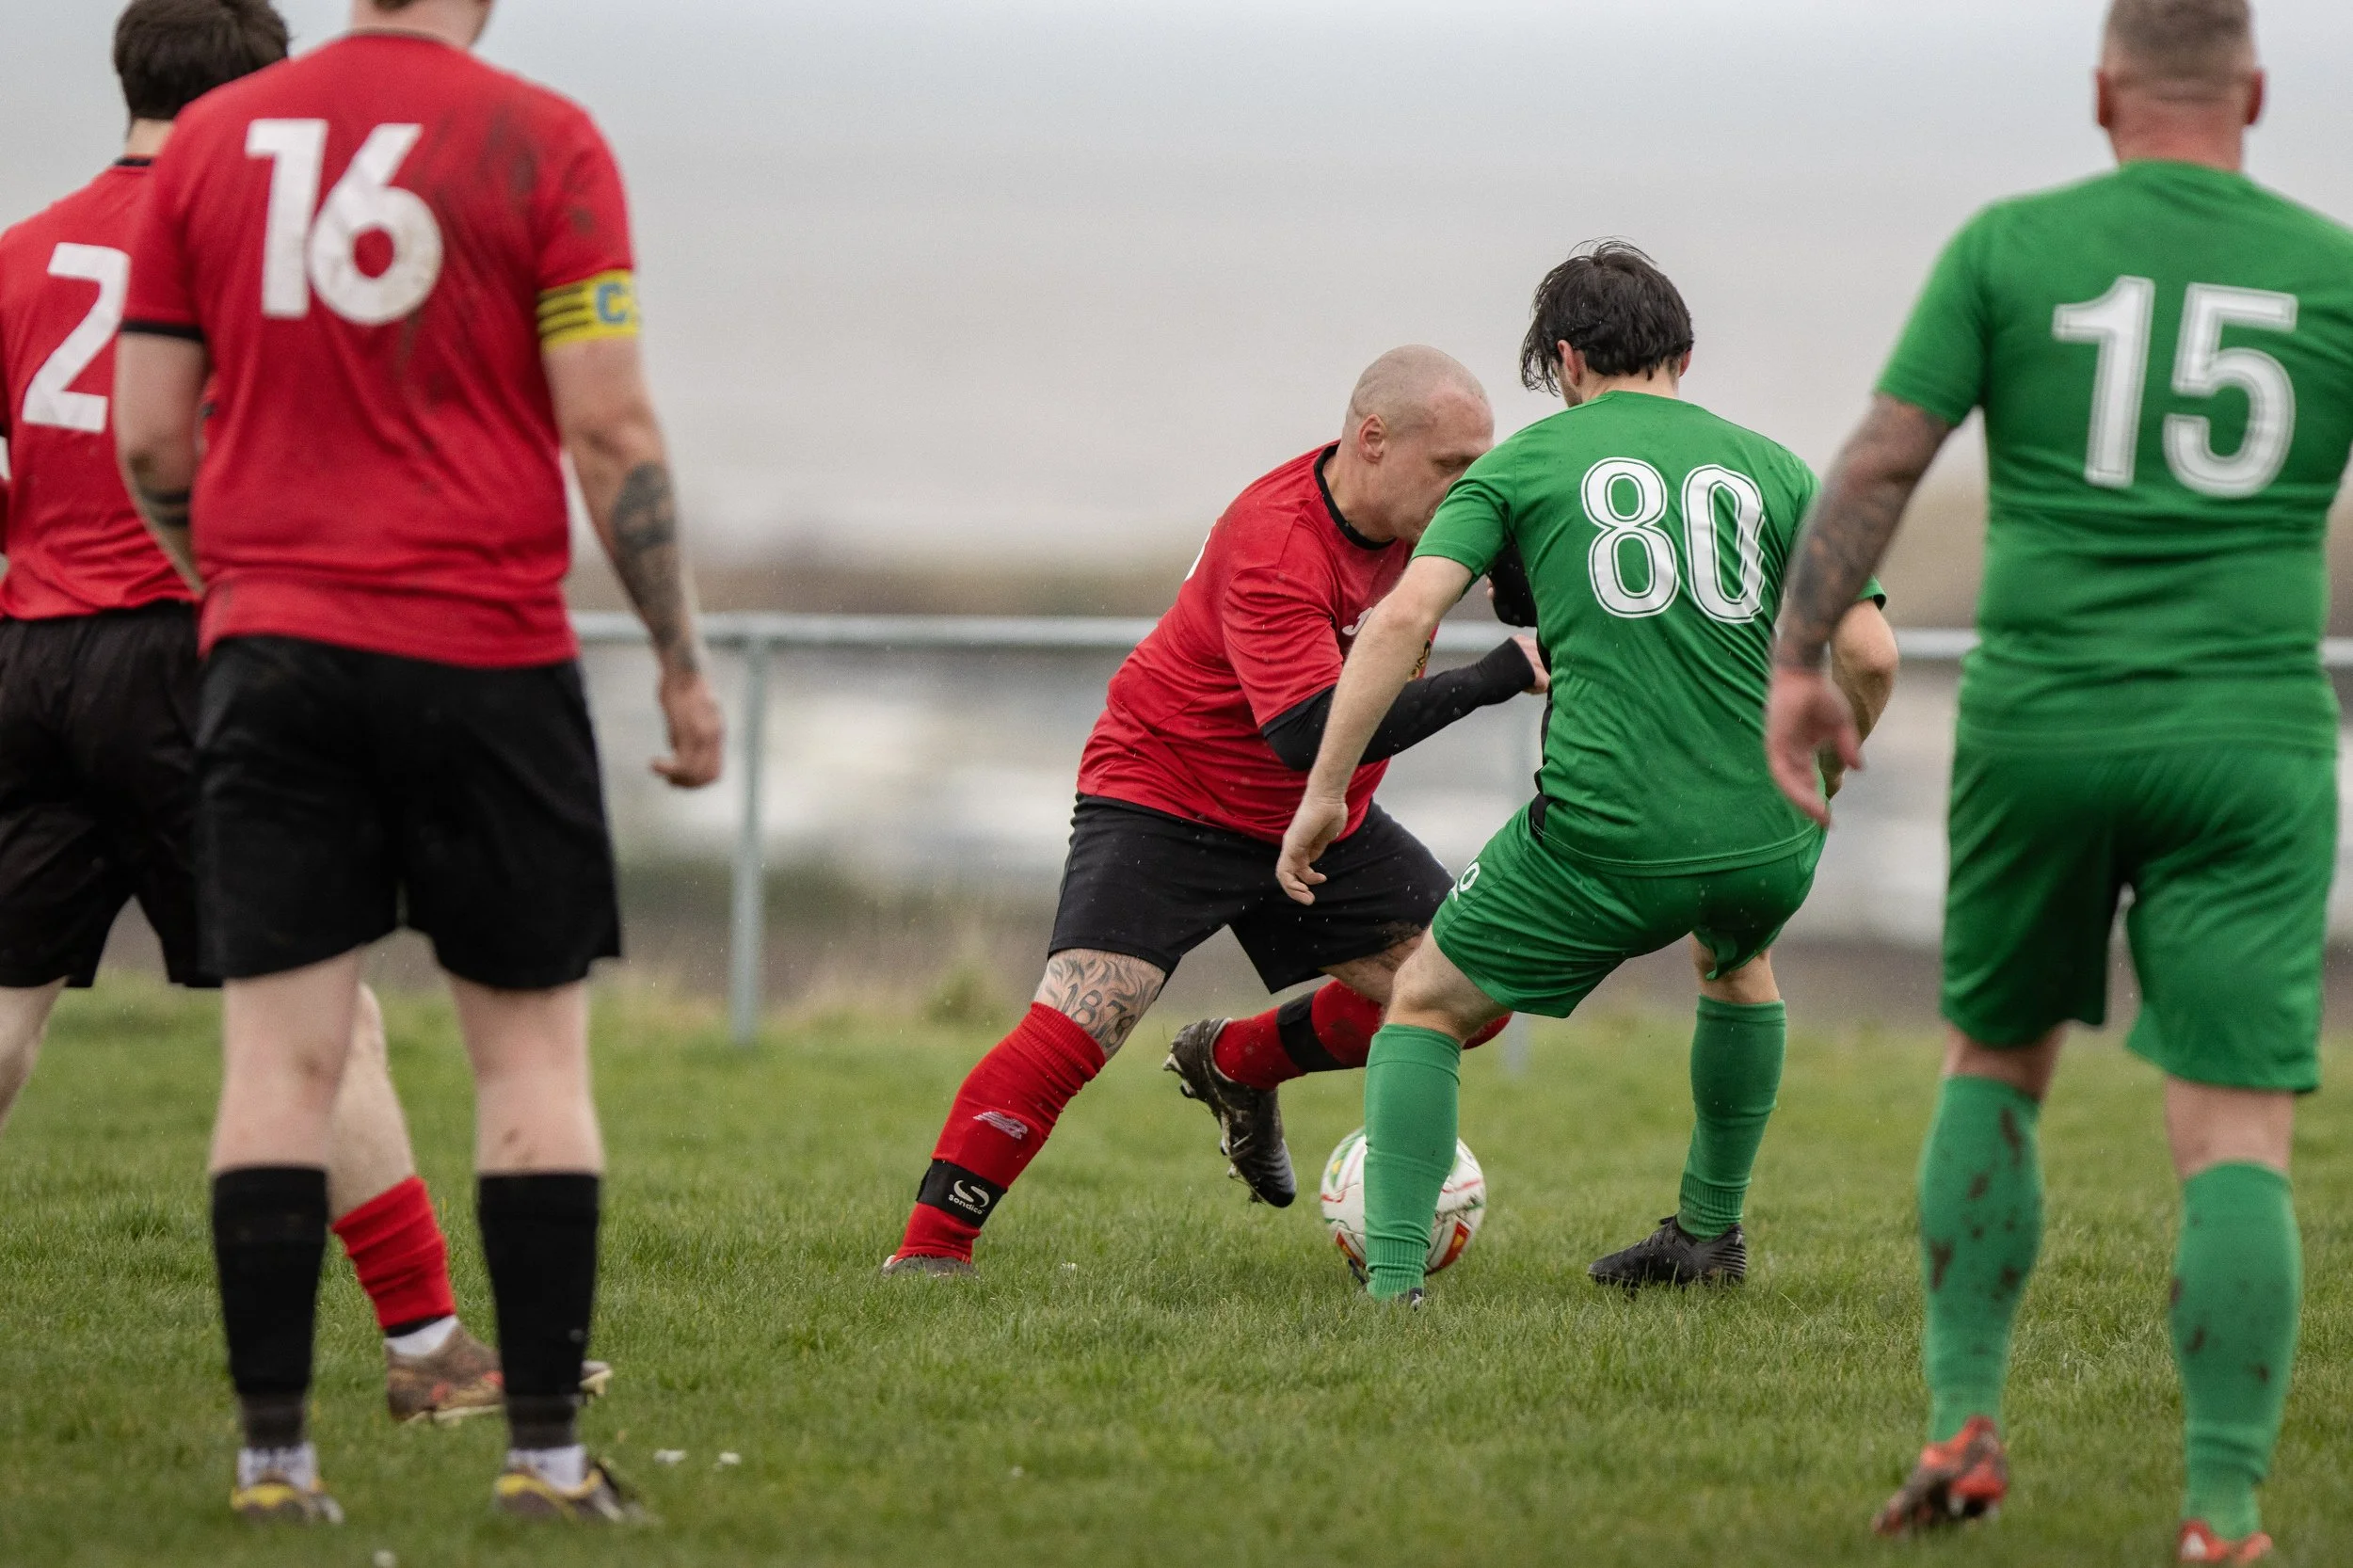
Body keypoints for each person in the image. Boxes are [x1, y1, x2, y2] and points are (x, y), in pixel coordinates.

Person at [111, 0, 723, 1524]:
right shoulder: (546, 139)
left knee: (278, 1065)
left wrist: (238, 584)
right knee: (527, 1063)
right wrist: (678, 658)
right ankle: (545, 1462)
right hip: (484, 653)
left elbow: (148, 443)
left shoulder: (207, 147)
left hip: (273, 649)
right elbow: (611, 434)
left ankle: (272, 1472)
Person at [1763, 2, 2345, 1558]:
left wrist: (1801, 655)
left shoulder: (2009, 247)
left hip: (2042, 723)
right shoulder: (2333, 267)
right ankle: (2221, 1514)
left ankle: (1960, 1427)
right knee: (2234, 1136)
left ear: (2102, 93)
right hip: (2251, 738)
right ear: (2259, 91)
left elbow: (1883, 460)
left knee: (1996, 1064)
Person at [0, 0, 598, 1435]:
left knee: (6, 1016)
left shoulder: (17, 253)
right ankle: (434, 1346)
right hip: (194, 650)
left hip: (26, 657)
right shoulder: (239, 241)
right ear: (261, 90)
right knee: (321, 1026)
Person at [1277, 244, 1897, 1304]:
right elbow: (1872, 656)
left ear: (1564, 361)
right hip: (1767, 833)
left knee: (1424, 998)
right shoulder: (1781, 467)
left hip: (1607, 837)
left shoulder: (1523, 466)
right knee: (1737, 962)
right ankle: (1707, 1237)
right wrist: (1829, 773)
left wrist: (1325, 790)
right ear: (1684, 355)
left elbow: (1400, 620)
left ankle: (1390, 1288)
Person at [881, 345, 1547, 1276]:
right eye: (1451, 467)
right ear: (1370, 440)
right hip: (1169, 792)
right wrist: (1491, 678)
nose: (1471, 489)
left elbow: (1539, 574)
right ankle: (929, 1251)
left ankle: (1235, 1060)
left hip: (1319, 823)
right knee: (1082, 1021)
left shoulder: (1440, 518)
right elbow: (1311, 731)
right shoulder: (1275, 538)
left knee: (1471, 996)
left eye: (1484, 465)